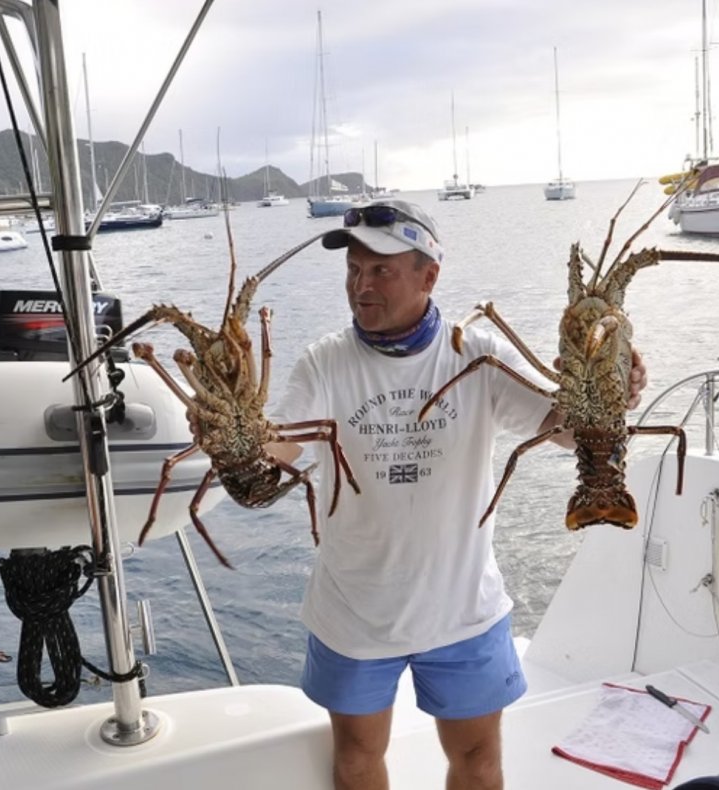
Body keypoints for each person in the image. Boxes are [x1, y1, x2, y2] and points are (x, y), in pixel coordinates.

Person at [268, 198, 647, 790]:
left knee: (478, 762)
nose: (361, 286)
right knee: (355, 760)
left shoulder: (478, 353)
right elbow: (278, 452)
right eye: (354, 270)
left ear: (429, 275)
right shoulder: (325, 363)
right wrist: (235, 441)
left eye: (381, 270)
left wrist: (611, 393)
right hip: (355, 612)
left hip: (464, 611)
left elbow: (568, 430)